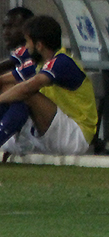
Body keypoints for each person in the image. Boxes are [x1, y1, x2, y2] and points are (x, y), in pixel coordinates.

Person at [0, 15, 98, 158]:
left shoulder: (63, 62)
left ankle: (8, 138)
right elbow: (3, 80)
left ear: (39, 45)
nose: (26, 47)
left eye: (28, 42)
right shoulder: (40, 64)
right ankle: (11, 140)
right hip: (56, 131)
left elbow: (27, 89)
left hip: (75, 135)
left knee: (27, 94)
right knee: (8, 87)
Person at [0, 7, 33, 74]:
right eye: (4, 27)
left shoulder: (29, 51)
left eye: (11, 26)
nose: (5, 32)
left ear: (27, 27)